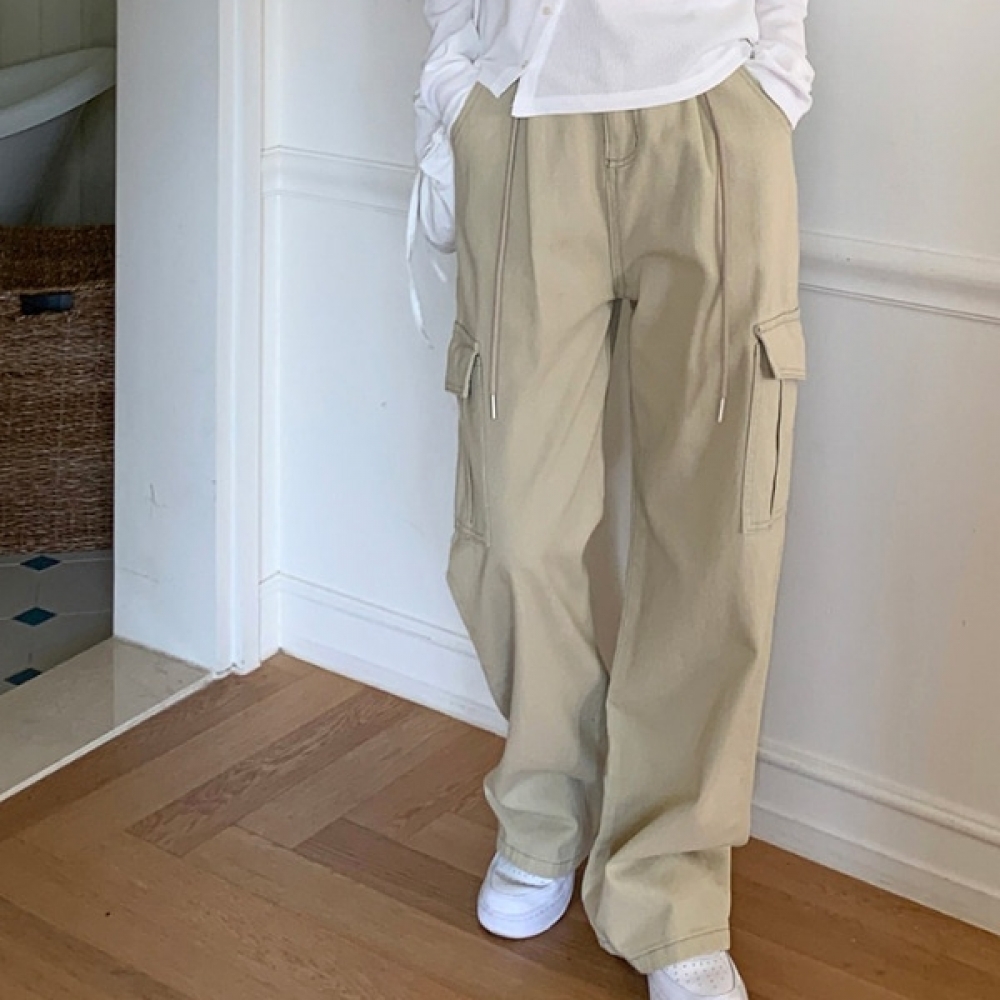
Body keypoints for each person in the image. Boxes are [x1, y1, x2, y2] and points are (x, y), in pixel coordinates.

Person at [412, 3, 813, 998]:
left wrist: (774, 72)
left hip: (713, 110)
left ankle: (668, 890)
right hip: (525, 113)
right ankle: (544, 810)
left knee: (717, 533)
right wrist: (456, 82)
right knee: (512, 521)